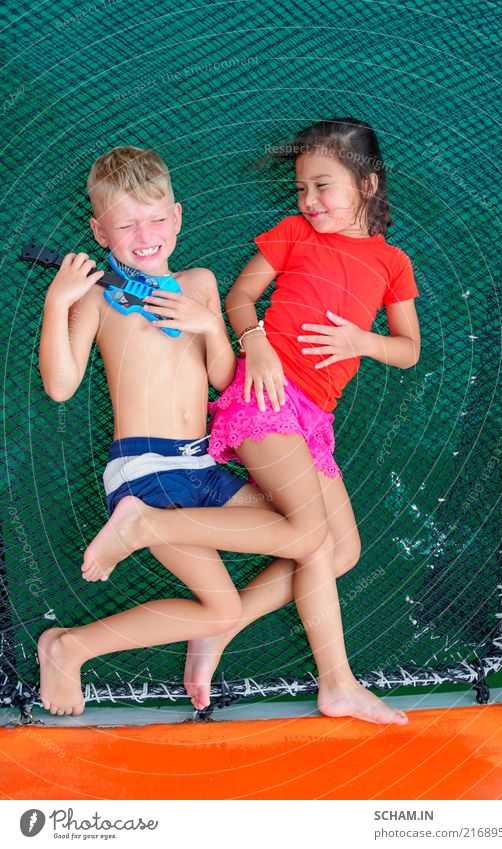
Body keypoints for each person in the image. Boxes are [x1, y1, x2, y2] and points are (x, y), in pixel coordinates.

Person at [83, 119, 420, 725]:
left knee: (339, 550)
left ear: (367, 185)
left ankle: (228, 623)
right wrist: (255, 341)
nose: (310, 202)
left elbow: (408, 348)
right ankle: (337, 682)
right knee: (311, 535)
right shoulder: (294, 234)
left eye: (323, 187)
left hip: (314, 416)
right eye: (301, 190)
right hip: (266, 396)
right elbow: (239, 299)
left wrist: (361, 342)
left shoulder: (392, 262)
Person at [37, 145, 306, 716]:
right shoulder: (98, 296)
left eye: (157, 218)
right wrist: (57, 301)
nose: (145, 234)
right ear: (100, 233)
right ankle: (67, 649)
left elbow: (223, 377)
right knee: (222, 608)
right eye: (126, 224)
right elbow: (61, 386)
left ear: (178, 217)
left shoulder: (201, 282)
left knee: (306, 539)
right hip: (145, 470)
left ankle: (139, 540)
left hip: (204, 467)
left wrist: (209, 323)